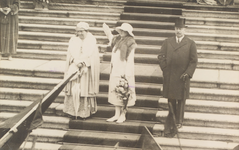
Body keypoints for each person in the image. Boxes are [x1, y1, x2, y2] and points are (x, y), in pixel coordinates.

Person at [157, 18, 198, 137]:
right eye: (176, 29)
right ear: (174, 29)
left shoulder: (190, 43)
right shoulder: (167, 41)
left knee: (181, 100)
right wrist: (165, 69)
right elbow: (161, 56)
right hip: (170, 76)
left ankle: (179, 121)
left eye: (180, 29)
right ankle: (171, 120)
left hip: (182, 77)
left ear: (184, 30)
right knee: (171, 100)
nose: (178, 31)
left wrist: (188, 73)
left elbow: (193, 61)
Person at [63, 22, 100, 119]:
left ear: (86, 31)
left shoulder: (91, 41)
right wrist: (75, 61)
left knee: (84, 89)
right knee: (74, 89)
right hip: (74, 67)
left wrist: (84, 64)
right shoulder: (73, 40)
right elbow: (69, 55)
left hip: (85, 70)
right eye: (78, 31)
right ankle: (71, 111)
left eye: (81, 31)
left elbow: (94, 57)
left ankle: (83, 112)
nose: (79, 33)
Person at [103, 23, 137, 123]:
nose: (122, 32)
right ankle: (116, 114)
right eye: (121, 30)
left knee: (125, 92)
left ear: (128, 33)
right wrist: (107, 30)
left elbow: (130, 60)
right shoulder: (117, 40)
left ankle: (123, 114)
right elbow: (110, 38)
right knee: (115, 92)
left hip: (125, 71)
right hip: (115, 70)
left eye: (124, 31)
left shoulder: (131, 43)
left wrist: (126, 73)